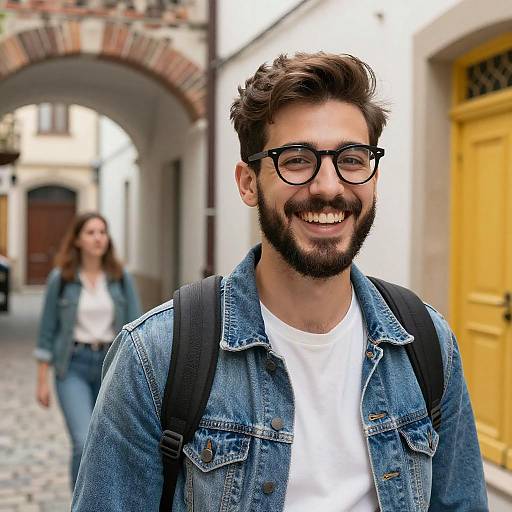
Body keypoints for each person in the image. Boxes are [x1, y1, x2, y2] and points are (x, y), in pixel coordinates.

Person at [72, 53, 488, 511]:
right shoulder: (156, 356)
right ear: (248, 183)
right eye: (296, 160)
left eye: (351, 159)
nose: (329, 186)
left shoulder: (427, 345)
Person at [34, 212, 141, 489]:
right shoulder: (62, 279)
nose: (98, 238)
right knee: (83, 442)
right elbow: (47, 330)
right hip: (72, 366)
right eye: (91, 232)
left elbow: (136, 326)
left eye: (102, 232)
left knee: (106, 443)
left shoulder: (119, 277)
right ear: (78, 240)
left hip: (111, 366)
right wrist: (41, 379)